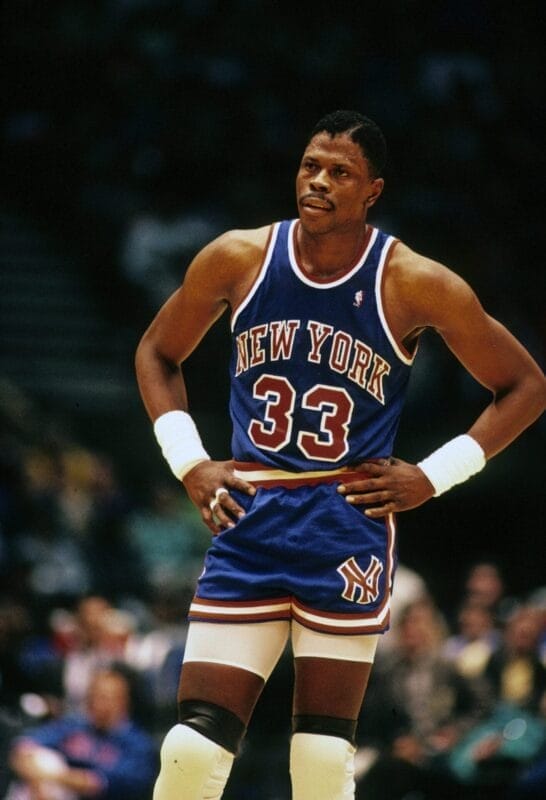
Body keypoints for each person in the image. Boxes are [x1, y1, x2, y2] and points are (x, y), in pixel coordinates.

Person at [134, 109, 546, 800]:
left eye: (340, 173)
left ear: (372, 192)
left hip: (344, 521)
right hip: (249, 516)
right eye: (310, 166)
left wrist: (435, 475)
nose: (318, 181)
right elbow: (157, 350)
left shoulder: (414, 280)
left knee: (322, 760)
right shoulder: (239, 256)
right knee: (190, 749)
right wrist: (189, 460)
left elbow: (526, 385)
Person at [7, 664, 158, 800]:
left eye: (104, 697)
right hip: (50, 791)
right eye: (93, 695)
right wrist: (37, 784)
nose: (96, 702)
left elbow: (96, 785)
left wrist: (52, 777)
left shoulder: (138, 744)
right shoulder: (75, 725)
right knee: (43, 760)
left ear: (123, 701)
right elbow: (22, 748)